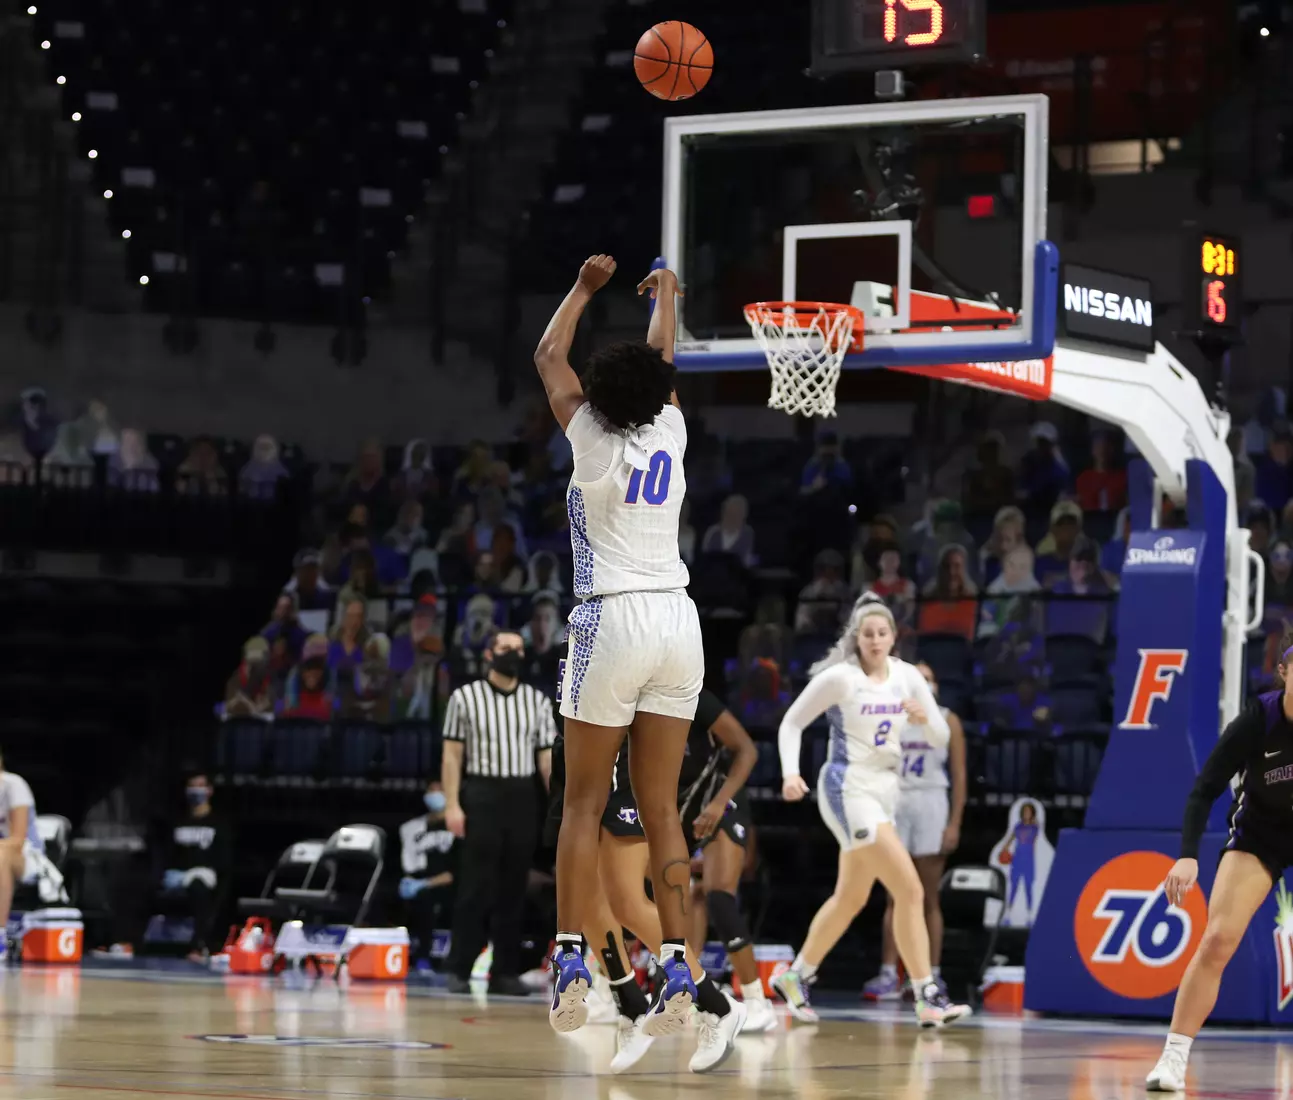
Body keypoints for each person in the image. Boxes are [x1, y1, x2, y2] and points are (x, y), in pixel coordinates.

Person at [533, 255, 739, 1048]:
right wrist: (670, 299)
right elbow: (665, 366)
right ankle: (682, 966)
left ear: (598, 397)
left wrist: (582, 289)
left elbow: (548, 357)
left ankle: (569, 960)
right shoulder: (672, 427)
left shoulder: (586, 432)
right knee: (662, 809)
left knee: (583, 803)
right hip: (677, 623)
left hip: (611, 618)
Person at [770, 601, 971, 1028]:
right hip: (848, 787)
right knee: (911, 890)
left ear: (894, 636)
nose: (876, 640)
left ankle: (796, 975)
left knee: (852, 898)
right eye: (868, 634)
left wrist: (923, 718)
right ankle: (926, 993)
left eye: (883, 633)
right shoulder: (841, 678)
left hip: (886, 790)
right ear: (857, 638)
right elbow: (791, 723)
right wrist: (790, 773)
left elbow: (939, 736)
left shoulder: (908, 676)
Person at [1145, 632, 1293, 1091]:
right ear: (1285, 672)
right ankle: (1173, 1057)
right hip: (1260, 836)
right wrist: (1187, 857)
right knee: (1218, 940)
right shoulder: (1257, 720)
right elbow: (1204, 789)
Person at [441, 631, 556, 997]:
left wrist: (559, 801)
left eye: (520, 650)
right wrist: (452, 804)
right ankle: (460, 966)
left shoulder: (536, 700)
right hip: (482, 793)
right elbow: (452, 755)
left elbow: (546, 760)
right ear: (490, 653)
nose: (515, 655)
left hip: (521, 795)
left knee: (513, 887)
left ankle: (505, 971)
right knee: (475, 885)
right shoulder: (465, 698)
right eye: (507, 649)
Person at [863, 661, 966, 1000]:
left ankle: (931, 974)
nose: (925, 683)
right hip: (897, 802)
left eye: (930, 677)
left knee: (928, 897)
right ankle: (889, 973)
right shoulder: (890, 718)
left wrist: (954, 823)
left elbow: (960, 777)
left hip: (932, 803)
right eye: (919, 678)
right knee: (895, 895)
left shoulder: (948, 719)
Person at [677, 690, 776, 1033]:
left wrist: (719, 803)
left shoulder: (695, 699)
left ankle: (756, 1000)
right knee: (680, 895)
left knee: (719, 896)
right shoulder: (640, 707)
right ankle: (690, 991)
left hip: (722, 800)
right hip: (682, 807)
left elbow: (746, 750)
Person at [157, 773, 231, 962]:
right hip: (176, 875)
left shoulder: (219, 823)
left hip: (203, 873)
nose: (195, 791)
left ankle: (199, 945)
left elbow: (223, 860)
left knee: (199, 888)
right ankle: (127, 942)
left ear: (209, 791)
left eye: (200, 786)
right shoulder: (177, 821)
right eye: (192, 786)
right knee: (138, 882)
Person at [398, 781, 458, 966]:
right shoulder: (414, 828)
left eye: (439, 790)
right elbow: (410, 862)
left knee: (427, 898)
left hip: (448, 883)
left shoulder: (457, 826)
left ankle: (427, 956)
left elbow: (455, 871)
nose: (434, 794)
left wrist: (425, 884)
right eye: (430, 790)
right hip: (420, 881)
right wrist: (410, 881)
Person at [0, 748, 42, 959]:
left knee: (1, 854)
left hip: (29, 857)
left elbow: (17, 839)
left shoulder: (14, 785)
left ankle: (0, 938)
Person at [1000, 800, 1040, 927]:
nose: (1026, 813)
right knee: (1013, 887)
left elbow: (1038, 826)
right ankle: (1008, 916)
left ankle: (1029, 916)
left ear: (1032, 813)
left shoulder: (1035, 826)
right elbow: (1010, 839)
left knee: (1028, 888)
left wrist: (1033, 819)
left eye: (1028, 811)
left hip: (1028, 860)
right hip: (1017, 859)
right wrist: (1005, 849)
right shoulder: (1018, 827)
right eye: (1024, 811)